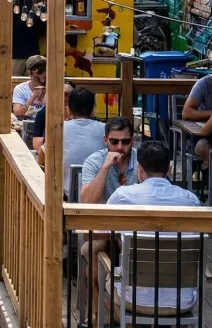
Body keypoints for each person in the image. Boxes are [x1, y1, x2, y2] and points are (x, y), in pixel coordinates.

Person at [103, 141, 201, 316]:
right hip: (180, 301)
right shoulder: (190, 200)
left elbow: (107, 231)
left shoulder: (123, 196)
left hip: (132, 298)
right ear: (169, 169)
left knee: (103, 276)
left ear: (139, 169)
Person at [77, 116, 138, 323]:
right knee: (91, 251)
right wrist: (105, 167)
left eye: (125, 141)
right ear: (105, 141)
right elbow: (88, 201)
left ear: (133, 140)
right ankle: (98, 316)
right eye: (114, 141)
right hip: (106, 231)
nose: (120, 147)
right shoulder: (95, 161)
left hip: (136, 232)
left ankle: (122, 311)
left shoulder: (142, 161)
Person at [34, 87, 106, 199]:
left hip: (65, 196)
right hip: (100, 196)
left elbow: (42, 159)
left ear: (68, 110)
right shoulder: (106, 129)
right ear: (93, 110)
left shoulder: (59, 129)